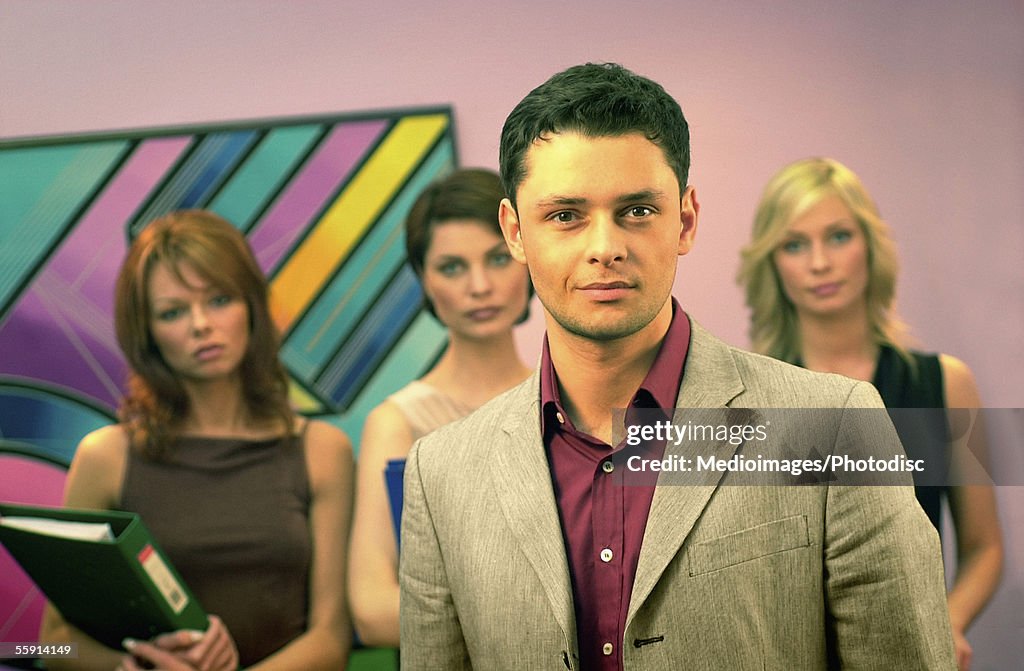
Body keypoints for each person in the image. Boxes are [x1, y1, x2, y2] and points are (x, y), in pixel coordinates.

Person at [398, 63, 957, 669]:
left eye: (637, 210)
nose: (604, 246)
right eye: (565, 215)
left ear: (686, 219)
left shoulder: (835, 424)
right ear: (514, 231)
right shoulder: (443, 472)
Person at [39, 210, 354, 670]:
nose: (201, 324)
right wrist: (123, 669)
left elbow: (331, 640)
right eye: (173, 312)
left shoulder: (322, 450)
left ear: (251, 305)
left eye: (220, 299)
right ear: (146, 333)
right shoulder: (105, 457)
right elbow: (44, 647)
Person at [738, 156, 1003, 670]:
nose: (819, 262)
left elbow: (984, 548)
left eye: (837, 236)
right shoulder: (750, 399)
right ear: (772, 263)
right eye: (794, 244)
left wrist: (947, 619)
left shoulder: (945, 384)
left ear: (870, 245)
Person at [347, 168, 532, 648]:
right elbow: (371, 609)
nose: (479, 286)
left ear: (527, 257)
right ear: (424, 281)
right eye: (451, 267)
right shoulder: (397, 423)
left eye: (496, 259)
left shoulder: (577, 402)